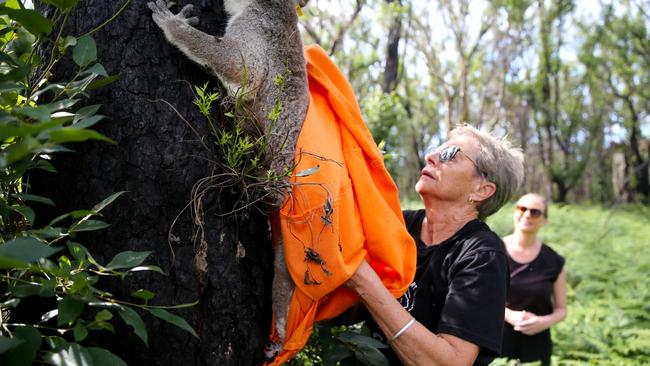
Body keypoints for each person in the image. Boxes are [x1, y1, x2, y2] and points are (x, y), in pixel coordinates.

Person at [346, 124, 525, 365]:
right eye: (435, 150)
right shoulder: (399, 224)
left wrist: (363, 281)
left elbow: (450, 362)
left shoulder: (482, 256)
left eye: (450, 155)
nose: (430, 157)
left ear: (482, 189)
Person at [501, 193, 567, 366]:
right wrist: (509, 315)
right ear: (515, 212)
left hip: (537, 346)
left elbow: (562, 310)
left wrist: (543, 322)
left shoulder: (554, 261)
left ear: (544, 220)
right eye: (522, 209)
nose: (527, 214)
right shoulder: (493, 251)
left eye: (535, 212)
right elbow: (479, 300)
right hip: (495, 341)